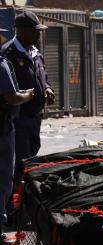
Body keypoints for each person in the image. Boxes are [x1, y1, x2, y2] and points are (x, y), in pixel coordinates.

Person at [1, 10, 53, 164]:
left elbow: (43, 78)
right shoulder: (8, 54)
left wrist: (48, 88)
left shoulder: (35, 53)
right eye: (35, 31)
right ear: (21, 31)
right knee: (19, 162)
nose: (39, 35)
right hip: (17, 119)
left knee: (32, 156)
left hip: (34, 118)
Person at [0, 25, 36, 245]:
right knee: (3, 179)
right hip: (2, 130)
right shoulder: (1, 64)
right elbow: (11, 98)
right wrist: (27, 95)